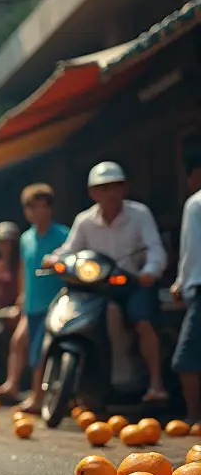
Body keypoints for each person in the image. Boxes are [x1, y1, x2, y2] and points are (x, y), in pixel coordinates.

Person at [43, 161, 168, 404]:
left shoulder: (139, 214)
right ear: (93, 193)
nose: (109, 193)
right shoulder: (85, 220)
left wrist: (150, 271)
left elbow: (156, 250)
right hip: (97, 287)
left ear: (124, 189)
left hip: (133, 284)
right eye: (103, 188)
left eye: (114, 187)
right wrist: (54, 259)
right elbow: (70, 249)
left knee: (143, 322)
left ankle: (155, 383)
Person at [0, 184, 70, 409]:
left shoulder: (64, 235)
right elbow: (23, 271)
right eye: (32, 208)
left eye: (42, 207)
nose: (37, 212)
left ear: (50, 208)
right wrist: (21, 297)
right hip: (31, 304)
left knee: (40, 349)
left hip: (55, 304)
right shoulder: (26, 238)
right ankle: (12, 385)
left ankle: (38, 397)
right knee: (18, 341)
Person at [171, 146, 201, 424]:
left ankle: (194, 418)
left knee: (186, 359)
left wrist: (181, 283)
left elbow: (192, 251)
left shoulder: (195, 203)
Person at [0, 222, 21, 309]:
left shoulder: (21, 265)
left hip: (18, 310)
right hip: (1, 312)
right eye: (0, 242)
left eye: (6, 242)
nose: (3, 246)